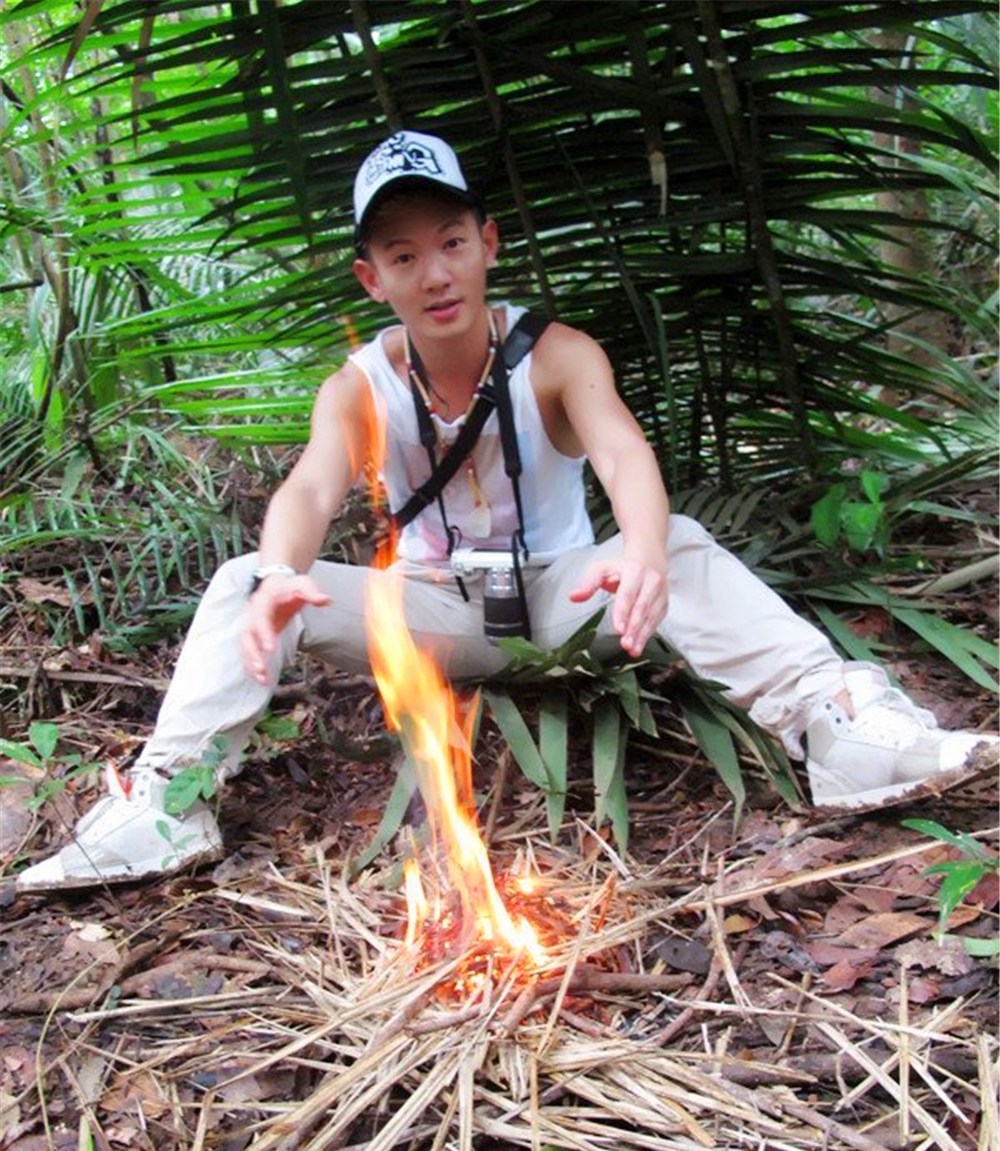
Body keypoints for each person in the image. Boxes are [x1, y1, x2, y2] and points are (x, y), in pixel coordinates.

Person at [17, 130, 997, 890]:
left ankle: (841, 732)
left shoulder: (557, 353)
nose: (433, 272)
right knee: (244, 583)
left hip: (567, 596)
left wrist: (643, 551)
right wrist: (281, 575)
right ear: (373, 277)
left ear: (486, 243)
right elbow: (310, 487)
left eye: (449, 242)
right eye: (402, 255)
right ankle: (168, 801)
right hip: (435, 610)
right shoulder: (358, 385)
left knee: (685, 545)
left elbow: (620, 450)